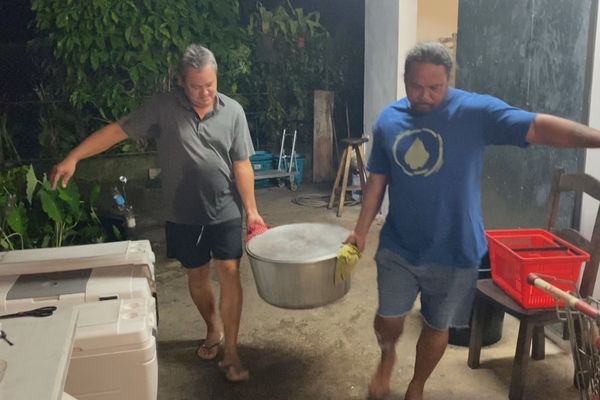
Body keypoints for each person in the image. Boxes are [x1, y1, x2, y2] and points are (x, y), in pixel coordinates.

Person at [344, 41, 600, 400]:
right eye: (416, 86)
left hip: (457, 250)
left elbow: (540, 128)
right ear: (404, 80)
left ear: (450, 80)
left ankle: (417, 385)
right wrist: (359, 231)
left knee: (437, 324)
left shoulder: (475, 112)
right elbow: (377, 180)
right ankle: (386, 359)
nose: (425, 96)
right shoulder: (388, 121)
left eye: (435, 87)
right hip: (399, 245)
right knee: (389, 319)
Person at [50, 44, 264, 382]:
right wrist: (75, 156)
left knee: (229, 271)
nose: (205, 92)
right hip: (183, 212)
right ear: (182, 82)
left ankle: (233, 353)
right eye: (196, 86)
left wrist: (252, 211)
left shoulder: (233, 111)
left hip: (225, 208)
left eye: (210, 84)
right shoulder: (163, 108)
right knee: (197, 276)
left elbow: (242, 164)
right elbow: (117, 130)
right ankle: (213, 327)